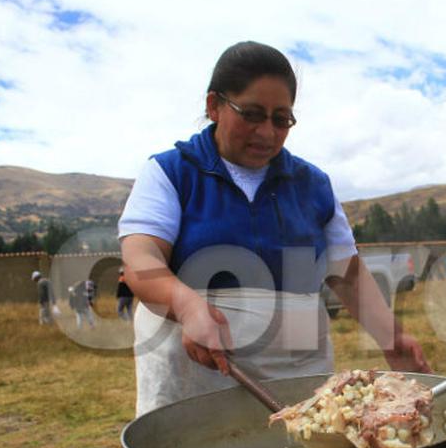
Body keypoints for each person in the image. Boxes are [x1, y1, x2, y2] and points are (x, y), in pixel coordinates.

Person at [119, 41, 430, 415]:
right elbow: (141, 259)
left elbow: (347, 275)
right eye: (251, 114)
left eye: (281, 119)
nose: (267, 132)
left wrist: (392, 338)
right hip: (196, 374)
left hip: (295, 373)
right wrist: (186, 307)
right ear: (213, 105)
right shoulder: (171, 173)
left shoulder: (313, 185)